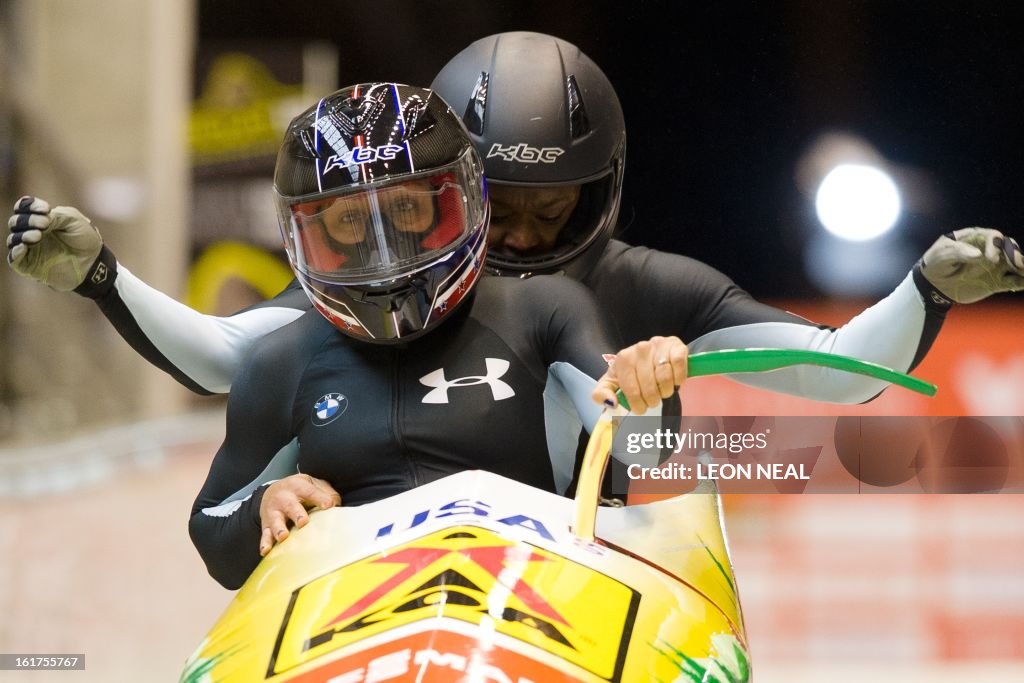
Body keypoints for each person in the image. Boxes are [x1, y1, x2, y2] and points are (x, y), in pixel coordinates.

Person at [7, 32, 1024, 403]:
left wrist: (922, 288)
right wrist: (103, 276)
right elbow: (236, 353)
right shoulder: (379, 296)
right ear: (450, 193)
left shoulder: (650, 288)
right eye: (507, 207)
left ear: (606, 190)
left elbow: (832, 375)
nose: (531, 236)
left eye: (557, 208)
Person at [184, 82, 686, 589]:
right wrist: (264, 507)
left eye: (406, 210)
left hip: (532, 605)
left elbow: (645, 449)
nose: (382, 255)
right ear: (306, 235)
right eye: (350, 221)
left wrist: (646, 385)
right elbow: (213, 538)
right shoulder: (280, 361)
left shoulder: (546, 311)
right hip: (356, 618)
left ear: (460, 201)